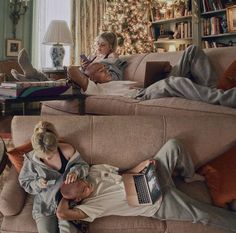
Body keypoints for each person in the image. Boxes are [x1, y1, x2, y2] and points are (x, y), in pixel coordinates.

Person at [56, 139, 236, 233]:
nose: (88, 186)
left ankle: (188, 176)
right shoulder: (89, 208)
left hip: (148, 176)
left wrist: (141, 166)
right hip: (156, 203)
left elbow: (123, 174)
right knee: (203, 214)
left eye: (83, 183)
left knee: (174, 145)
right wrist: (65, 195)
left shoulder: (93, 172)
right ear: (79, 198)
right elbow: (62, 213)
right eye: (84, 190)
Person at [68, 45, 236, 108]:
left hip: (149, 86)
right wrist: (84, 72)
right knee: (173, 82)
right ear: (91, 79)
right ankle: (227, 98)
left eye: (105, 67)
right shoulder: (94, 90)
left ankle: (214, 91)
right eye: (100, 70)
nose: (106, 70)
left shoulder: (115, 80)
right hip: (143, 97)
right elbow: (71, 70)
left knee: (192, 51)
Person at [18, 120, 89, 233]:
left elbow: (84, 166)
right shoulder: (31, 161)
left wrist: (75, 172)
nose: (47, 159)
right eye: (43, 156)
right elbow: (24, 182)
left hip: (69, 201)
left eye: (51, 154)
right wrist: (37, 183)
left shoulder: (68, 150)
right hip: (45, 204)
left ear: (56, 144)